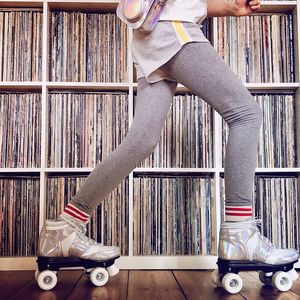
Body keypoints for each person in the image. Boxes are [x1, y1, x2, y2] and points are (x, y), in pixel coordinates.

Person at [38, 0, 298, 270]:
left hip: (150, 38)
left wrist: (230, 8)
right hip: (175, 31)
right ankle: (240, 233)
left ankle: (64, 229)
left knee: (141, 141)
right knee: (246, 115)